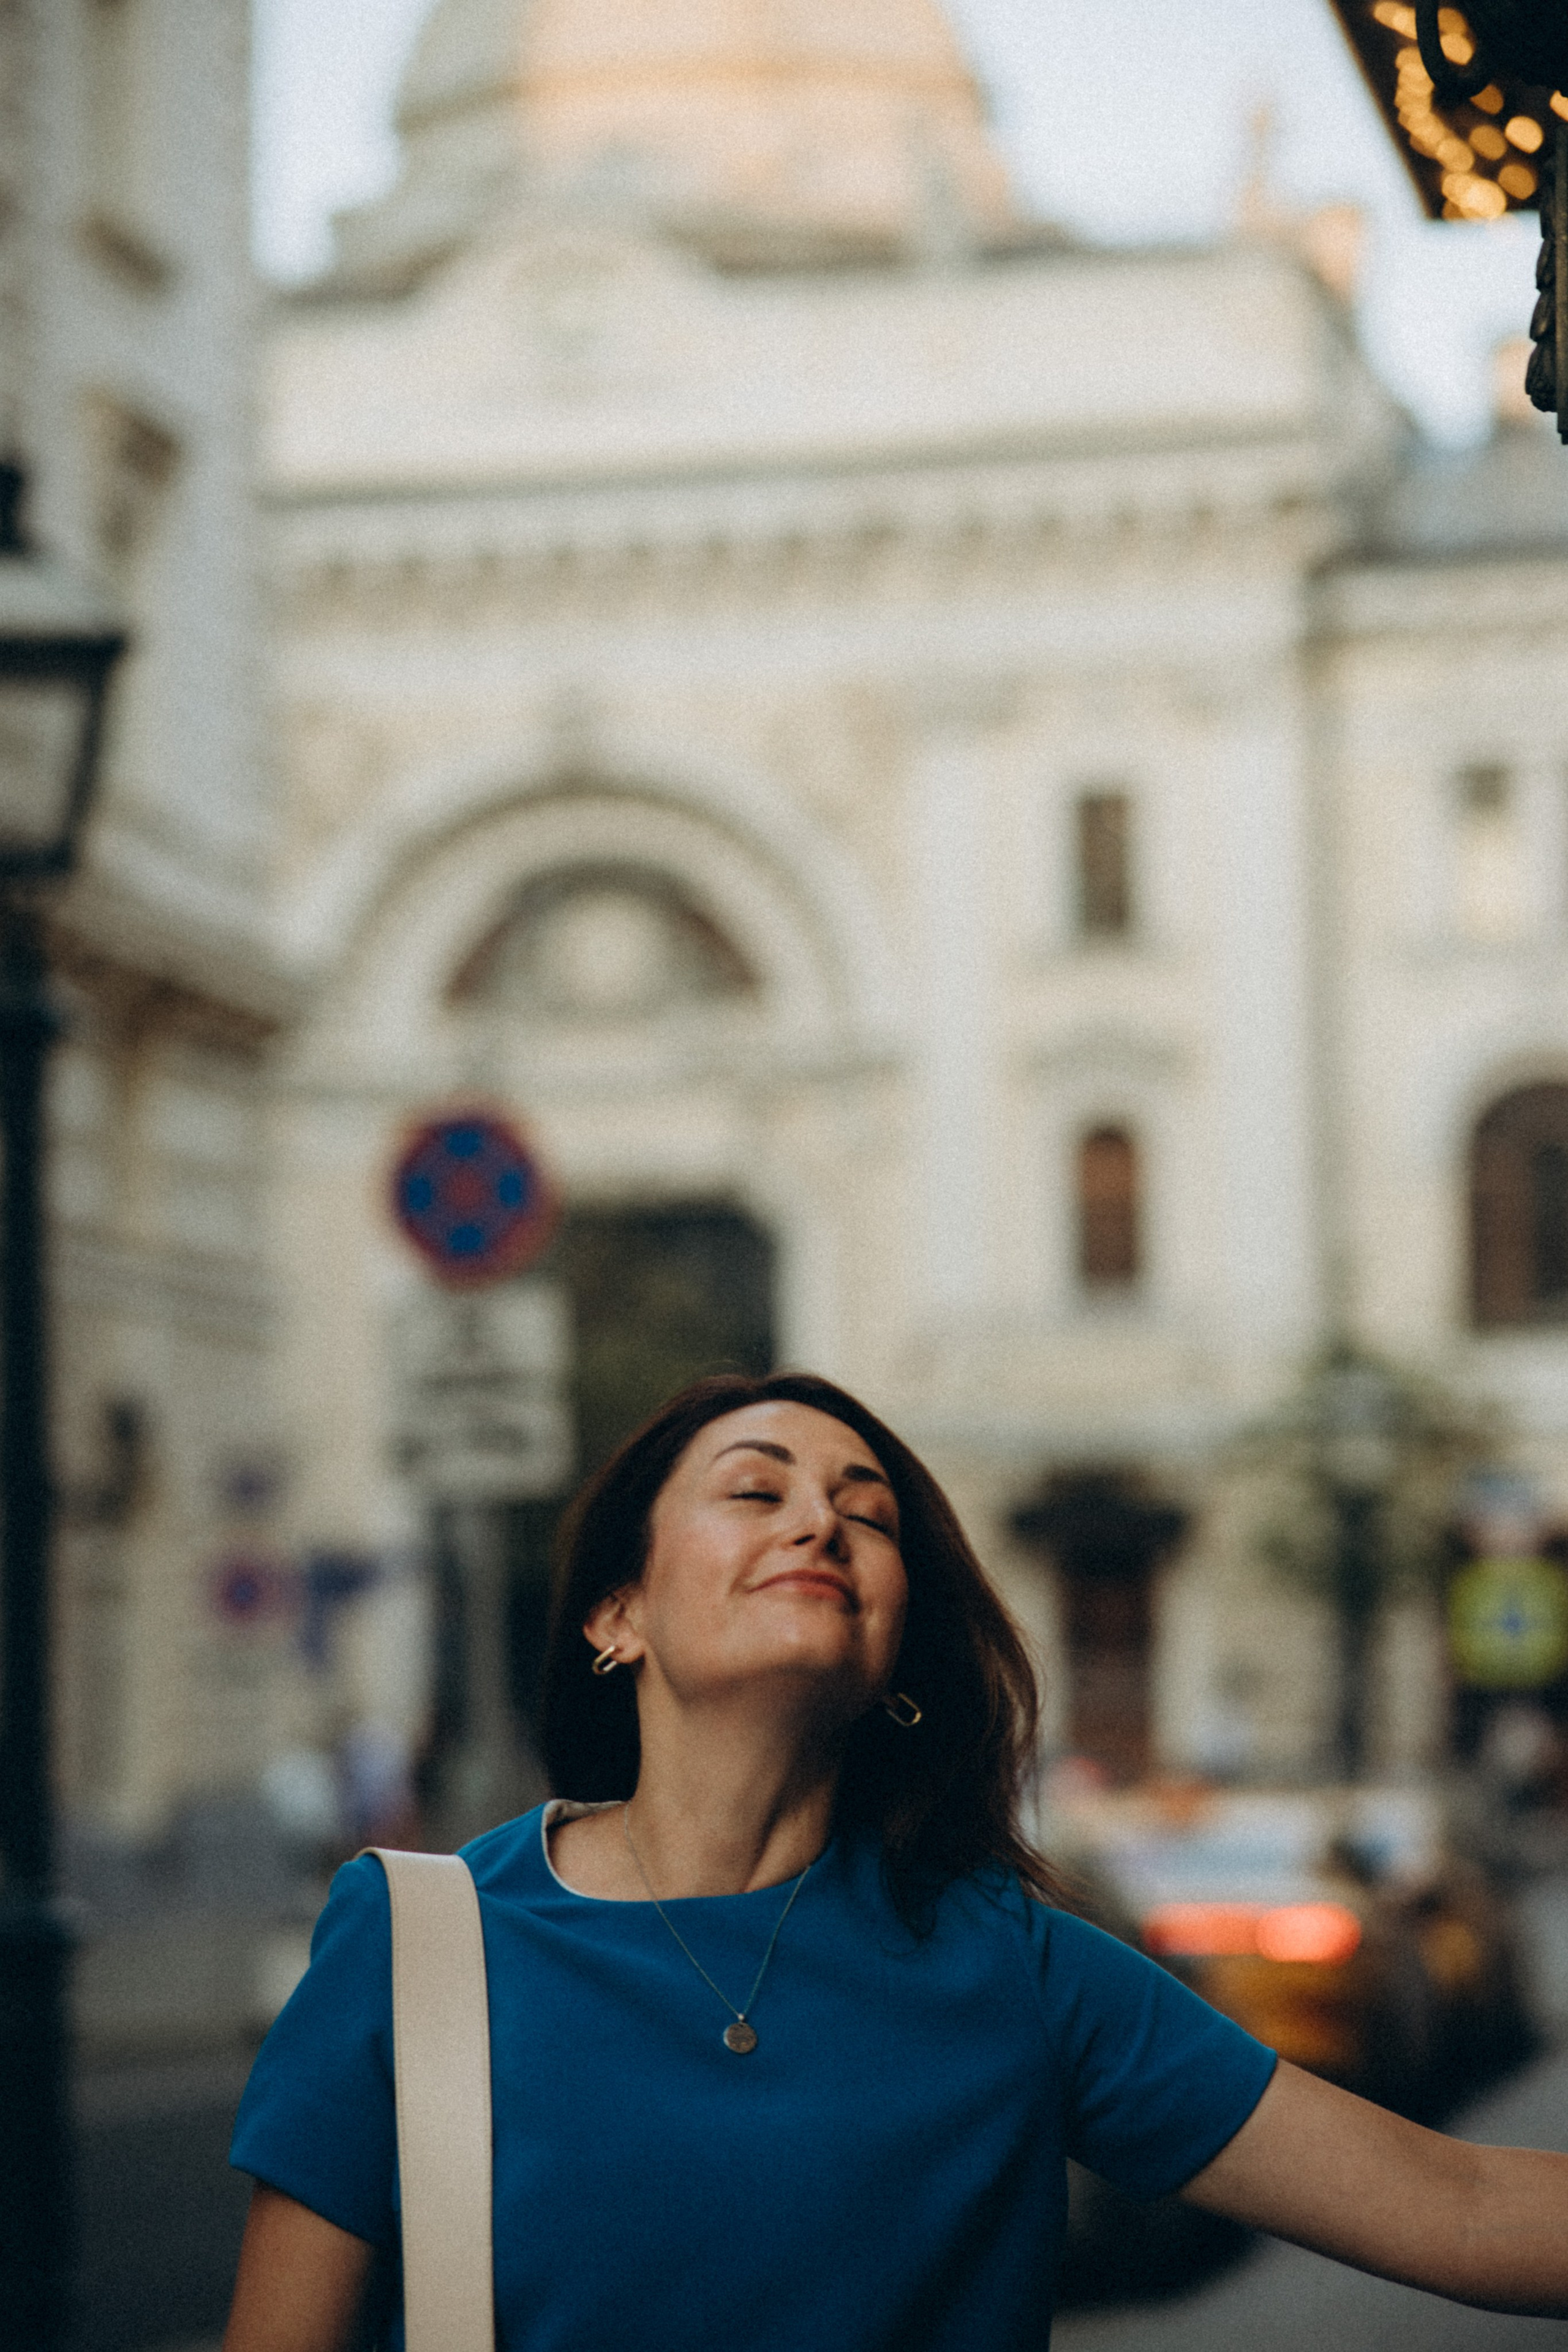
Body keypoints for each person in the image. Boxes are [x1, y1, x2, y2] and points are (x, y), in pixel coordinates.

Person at [224, 1372, 1568, 2352]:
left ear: (891, 1658)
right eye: (755, 1491)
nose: (819, 1523)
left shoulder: (1013, 1961)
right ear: (615, 1614)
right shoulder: (412, 1941)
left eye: (864, 1517)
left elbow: (1451, 2207)